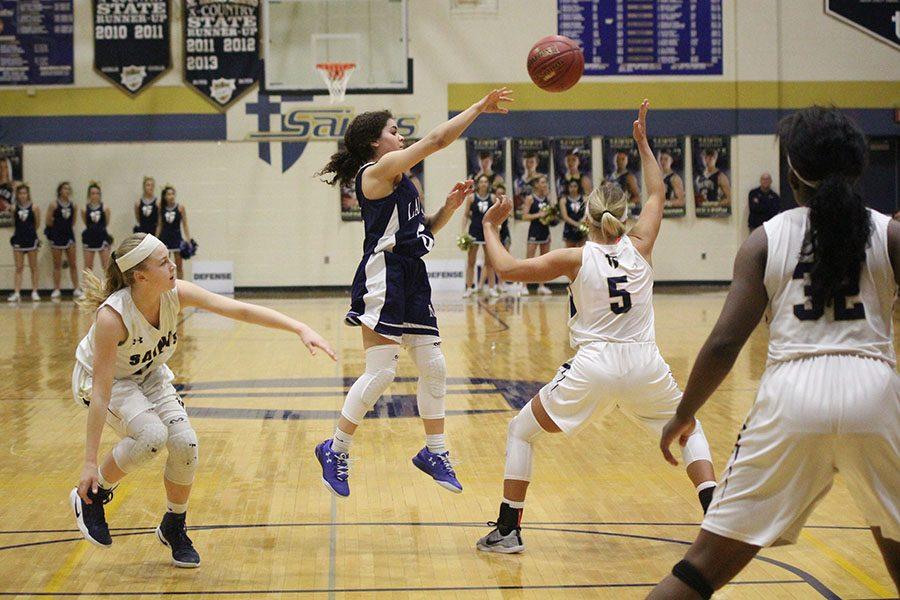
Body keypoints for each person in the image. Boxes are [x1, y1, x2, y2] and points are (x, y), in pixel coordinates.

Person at [650, 106, 899, 599]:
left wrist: (684, 413)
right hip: (875, 392)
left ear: (792, 175)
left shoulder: (766, 239)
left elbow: (724, 343)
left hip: (791, 395)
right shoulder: (888, 234)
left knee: (699, 571)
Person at [474, 101, 717, 554]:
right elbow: (657, 194)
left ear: (586, 217)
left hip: (594, 366)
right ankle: (715, 517)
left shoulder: (574, 257)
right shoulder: (641, 246)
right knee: (691, 429)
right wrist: (643, 143)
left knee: (521, 431)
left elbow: (505, 268)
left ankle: (508, 529)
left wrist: (489, 226)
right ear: (620, 218)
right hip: (646, 364)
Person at [70, 233, 336, 568]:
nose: (173, 265)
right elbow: (100, 392)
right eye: (163, 261)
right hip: (107, 382)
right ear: (140, 276)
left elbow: (239, 310)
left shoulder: (174, 293)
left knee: (186, 445)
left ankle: (173, 525)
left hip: (149, 373)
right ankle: (91, 495)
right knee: (152, 436)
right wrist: (89, 463)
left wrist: (299, 327)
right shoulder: (112, 317)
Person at [313, 88, 513, 498]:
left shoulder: (404, 183)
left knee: (435, 366)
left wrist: (448, 209)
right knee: (382, 371)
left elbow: (419, 233)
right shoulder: (376, 171)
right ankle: (335, 448)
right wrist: (477, 107)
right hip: (384, 276)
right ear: (375, 141)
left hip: (412, 275)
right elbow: (437, 141)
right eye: (393, 130)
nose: (400, 136)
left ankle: (434, 451)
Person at [462, 175, 499, 298]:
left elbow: (496, 216)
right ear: (478, 184)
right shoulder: (471, 198)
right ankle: (468, 288)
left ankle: (492, 288)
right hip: (474, 232)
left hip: (487, 233)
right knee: (471, 261)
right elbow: (466, 215)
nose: (483, 184)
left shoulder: (493, 198)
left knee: (490, 262)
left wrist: (497, 229)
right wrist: (463, 231)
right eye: (481, 182)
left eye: (486, 182)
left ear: (488, 184)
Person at [46, 181, 82, 299]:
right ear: (60, 191)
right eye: (64, 188)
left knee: (73, 263)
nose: (67, 191)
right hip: (56, 236)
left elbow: (73, 222)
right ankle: (56, 289)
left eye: (68, 189)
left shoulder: (73, 205)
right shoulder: (54, 205)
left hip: (69, 235)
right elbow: (48, 221)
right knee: (57, 265)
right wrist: (56, 230)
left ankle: (76, 288)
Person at [7, 183, 41, 302]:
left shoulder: (34, 207)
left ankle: (35, 291)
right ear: (17, 195)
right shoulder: (14, 208)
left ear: (28, 194)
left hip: (31, 238)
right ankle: (17, 292)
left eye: (25, 193)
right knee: (19, 267)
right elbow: (13, 222)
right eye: (20, 193)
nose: (22, 195)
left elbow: (37, 224)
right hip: (18, 239)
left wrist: (30, 232)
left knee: (33, 267)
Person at [522, 175, 554, 295]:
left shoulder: (547, 198)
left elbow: (552, 212)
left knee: (544, 260)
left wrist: (549, 215)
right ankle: (524, 285)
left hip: (545, 230)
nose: (545, 184)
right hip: (534, 230)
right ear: (536, 184)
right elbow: (525, 216)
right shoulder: (530, 198)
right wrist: (539, 215)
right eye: (542, 182)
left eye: (546, 182)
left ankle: (542, 285)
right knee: (529, 259)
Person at [157, 185, 192, 279]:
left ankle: (181, 287)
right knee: (165, 266)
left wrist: (188, 239)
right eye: (168, 194)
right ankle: (166, 288)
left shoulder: (180, 208)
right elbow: (159, 225)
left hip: (177, 238)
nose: (171, 196)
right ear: (165, 196)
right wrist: (155, 239)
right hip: (165, 238)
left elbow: (185, 224)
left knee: (179, 266)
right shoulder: (161, 208)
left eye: (173, 194)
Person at [82, 182, 112, 274]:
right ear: (89, 195)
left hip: (102, 237)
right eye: (93, 193)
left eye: (97, 193)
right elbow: (86, 223)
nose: (95, 195)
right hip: (89, 238)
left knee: (106, 265)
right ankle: (87, 288)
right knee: (88, 266)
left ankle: (109, 287)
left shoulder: (105, 208)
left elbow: (106, 223)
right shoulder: (84, 209)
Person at [560, 178, 587, 248]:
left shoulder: (584, 198)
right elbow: (565, 217)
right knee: (570, 251)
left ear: (578, 187)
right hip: (569, 228)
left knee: (582, 250)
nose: (573, 188)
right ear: (568, 187)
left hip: (582, 227)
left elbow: (587, 212)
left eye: (575, 186)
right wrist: (576, 224)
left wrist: (583, 220)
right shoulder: (563, 200)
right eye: (571, 186)